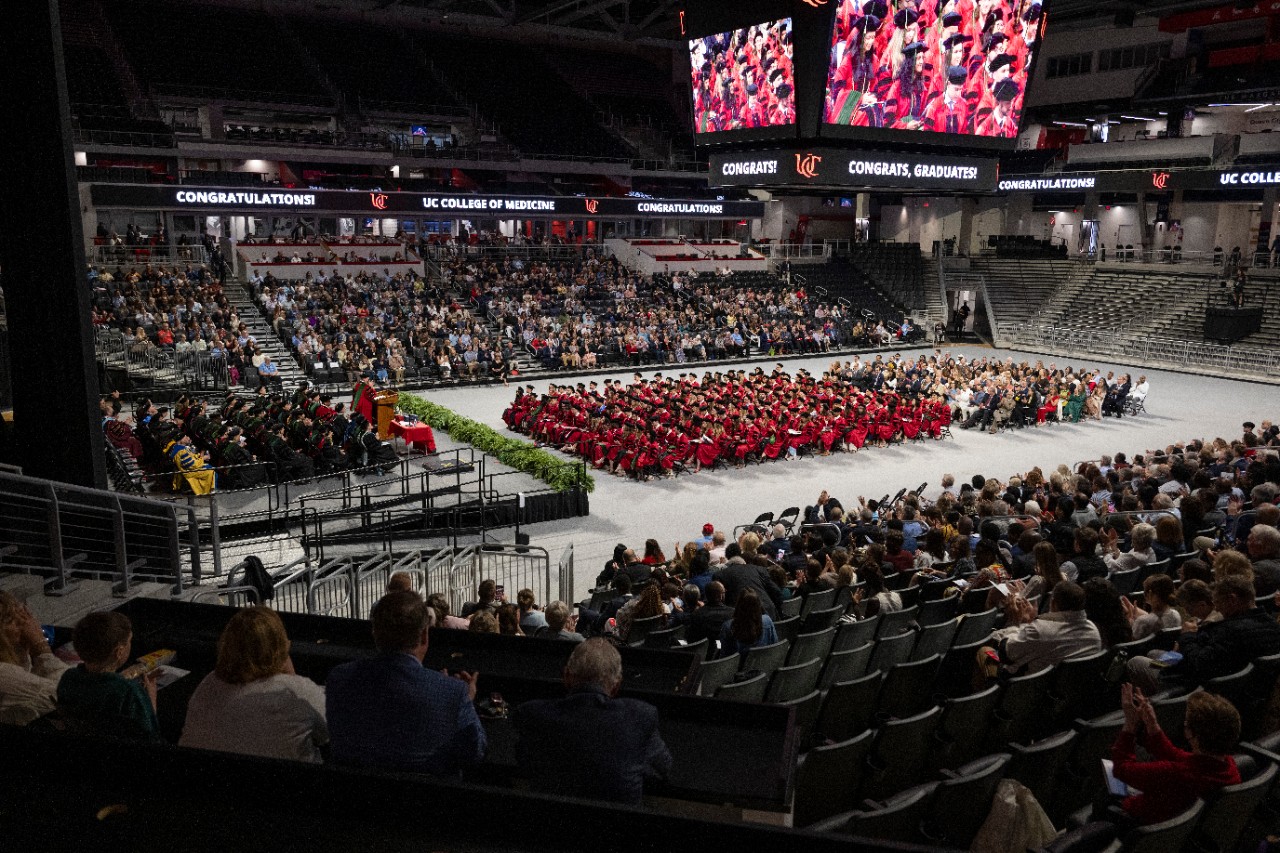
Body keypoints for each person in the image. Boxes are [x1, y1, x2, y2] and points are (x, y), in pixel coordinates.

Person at [325, 591, 486, 775]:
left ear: (375, 634)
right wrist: (467, 701)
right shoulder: (453, 693)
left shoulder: (340, 678)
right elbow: (476, 753)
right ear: (425, 635)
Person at [513, 639, 671, 805]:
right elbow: (663, 768)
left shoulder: (533, 715)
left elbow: (524, 760)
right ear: (616, 686)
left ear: (566, 677)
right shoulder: (641, 716)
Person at [180, 607, 328, 762]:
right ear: (280, 648)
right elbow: (328, 732)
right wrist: (293, 679)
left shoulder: (208, 684)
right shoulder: (297, 692)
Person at [1109, 684, 1240, 826]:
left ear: (1192, 735)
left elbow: (1121, 768)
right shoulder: (1228, 766)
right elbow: (1176, 755)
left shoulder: (1177, 773)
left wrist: (1130, 725)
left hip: (1133, 819)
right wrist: (1152, 724)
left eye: (1186, 724)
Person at [57, 610, 160, 740]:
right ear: (119, 652)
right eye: (129, 641)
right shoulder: (129, 692)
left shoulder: (69, 679)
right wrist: (150, 702)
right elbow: (150, 738)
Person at [984, 582, 1102, 677]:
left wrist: (1016, 622)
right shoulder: (1094, 631)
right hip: (1068, 691)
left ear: (1054, 603)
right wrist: (1031, 622)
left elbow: (1006, 654)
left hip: (1029, 688)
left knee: (983, 651)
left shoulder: (1040, 630)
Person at [0, 591, 69, 725]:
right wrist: (40, 646)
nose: (24, 625)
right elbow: (63, 694)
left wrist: (21, 651)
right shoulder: (4, 674)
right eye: (10, 620)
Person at [718, 589, 778, 658]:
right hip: (765, 666)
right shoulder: (767, 620)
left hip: (738, 668)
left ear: (738, 605)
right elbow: (774, 647)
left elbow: (725, 658)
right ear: (759, 605)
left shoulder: (728, 627)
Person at [686, 580, 734, 647]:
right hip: (728, 654)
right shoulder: (733, 613)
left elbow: (691, 639)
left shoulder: (696, 614)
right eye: (724, 592)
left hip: (706, 654)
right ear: (720, 596)